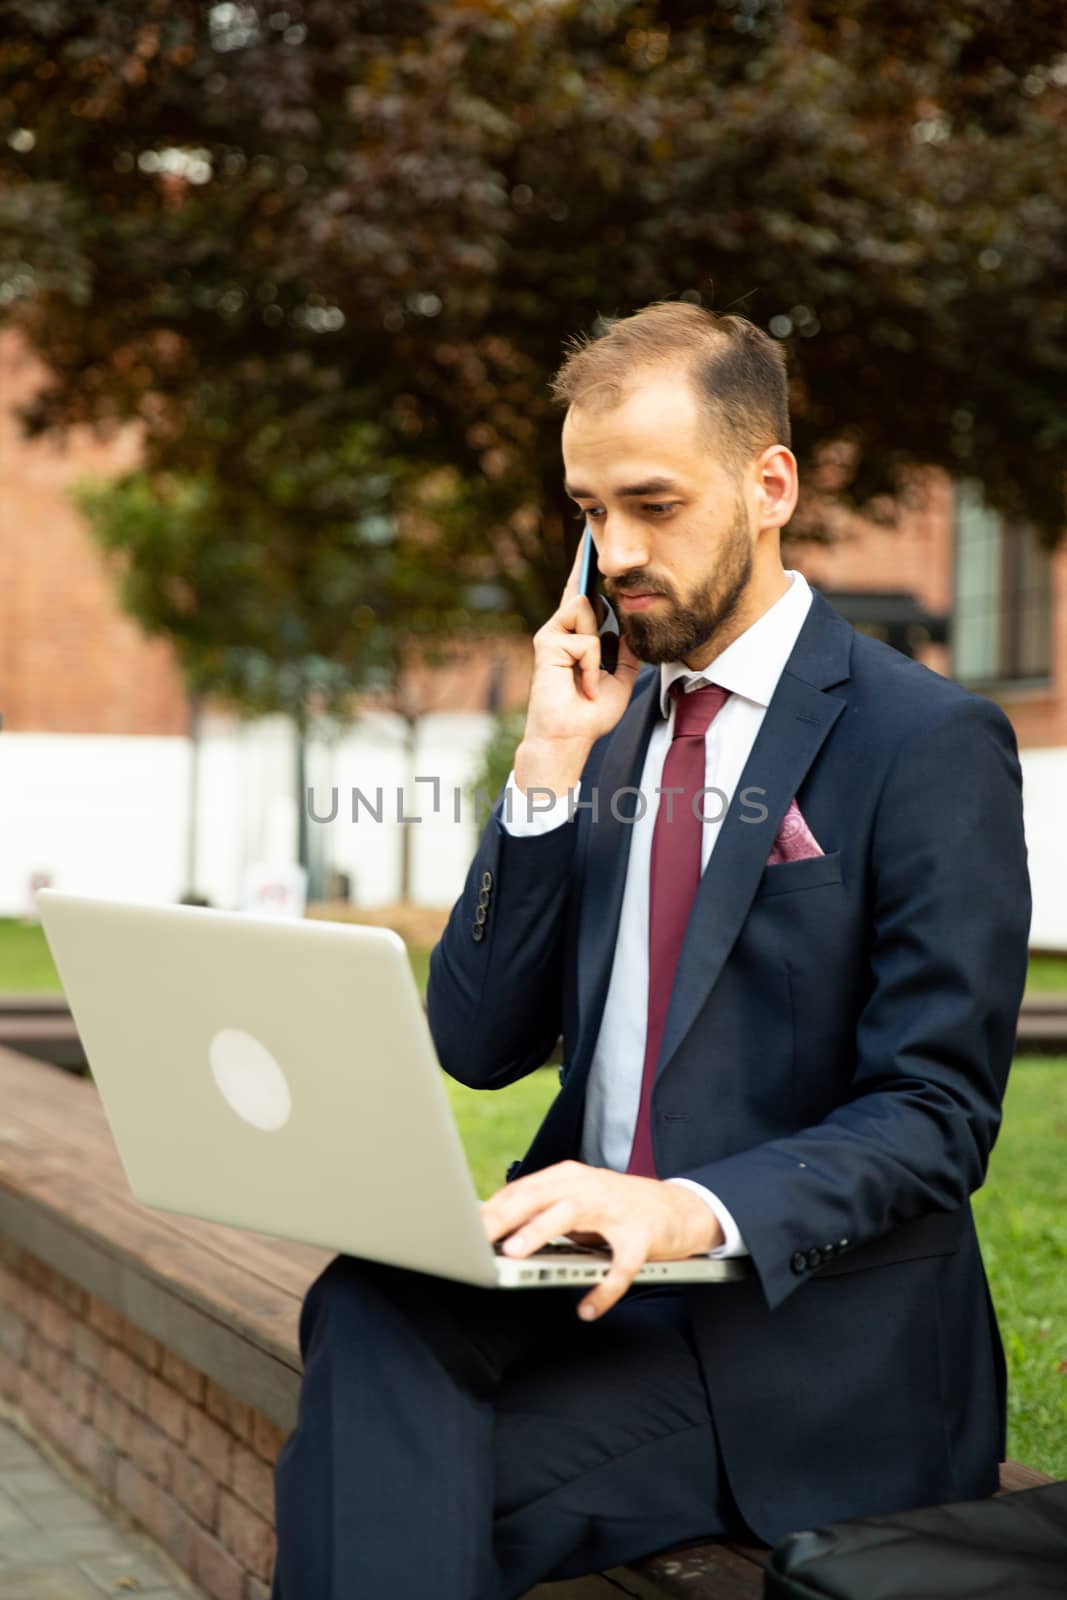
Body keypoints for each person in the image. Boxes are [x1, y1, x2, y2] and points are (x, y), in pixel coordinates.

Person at [270, 302, 1031, 1600]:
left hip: (792, 1347)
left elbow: (935, 1113)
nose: (614, 550)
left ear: (769, 483)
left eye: (652, 504)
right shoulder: (609, 731)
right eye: (587, 510)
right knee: (367, 1300)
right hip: (582, 1285)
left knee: (372, 1498)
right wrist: (546, 766)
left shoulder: (924, 741)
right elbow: (480, 1041)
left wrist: (682, 1206)